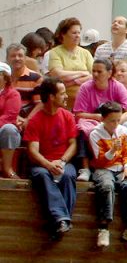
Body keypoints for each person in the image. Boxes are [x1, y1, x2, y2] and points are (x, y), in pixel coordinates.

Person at [22, 80, 78, 238]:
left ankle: (61, 221)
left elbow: (73, 144)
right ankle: (62, 219)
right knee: (42, 175)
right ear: (52, 97)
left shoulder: (67, 116)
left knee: (68, 175)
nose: (66, 96)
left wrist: (62, 161)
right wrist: (48, 165)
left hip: (63, 161)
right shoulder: (36, 120)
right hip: (42, 164)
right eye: (62, 93)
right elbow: (33, 151)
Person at [89, 101, 127, 248]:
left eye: (118, 120)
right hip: (104, 168)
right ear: (103, 119)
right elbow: (99, 161)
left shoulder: (123, 131)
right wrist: (112, 151)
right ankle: (103, 228)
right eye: (112, 121)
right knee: (106, 186)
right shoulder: (95, 134)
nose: (116, 124)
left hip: (120, 168)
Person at [46, 17, 94, 110]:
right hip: (63, 102)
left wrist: (74, 81)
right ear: (63, 34)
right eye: (74, 33)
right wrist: (82, 73)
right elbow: (57, 75)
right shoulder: (55, 52)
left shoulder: (85, 53)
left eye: (79, 33)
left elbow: (94, 75)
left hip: (86, 100)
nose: (77, 36)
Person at [0, 62, 24, 177]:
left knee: (9, 129)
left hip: (4, 131)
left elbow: (9, 116)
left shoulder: (13, 94)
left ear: (5, 78)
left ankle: (7, 168)